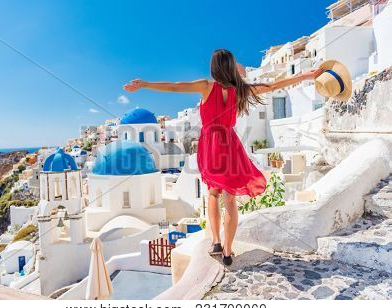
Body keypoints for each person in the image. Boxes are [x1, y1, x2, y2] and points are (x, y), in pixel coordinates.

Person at [123, 49, 323, 265]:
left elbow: (175, 86)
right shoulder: (241, 90)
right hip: (230, 144)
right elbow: (273, 86)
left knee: (212, 193)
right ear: (229, 66)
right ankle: (228, 251)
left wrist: (144, 84)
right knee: (230, 199)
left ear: (214, 67)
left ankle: (216, 242)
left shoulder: (206, 86)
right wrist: (305, 76)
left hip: (211, 144)